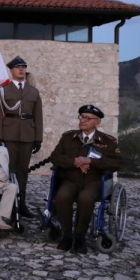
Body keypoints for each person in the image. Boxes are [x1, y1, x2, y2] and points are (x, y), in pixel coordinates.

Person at [50, 105, 122, 254]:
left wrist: (90, 161)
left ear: (97, 122)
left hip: (94, 182)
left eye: (88, 118)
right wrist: (75, 161)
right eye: (82, 117)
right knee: (62, 196)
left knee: (85, 198)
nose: (83, 120)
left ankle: (80, 236)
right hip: (71, 179)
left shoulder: (108, 142)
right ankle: (67, 235)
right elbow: (55, 157)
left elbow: (117, 163)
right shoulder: (68, 137)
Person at [0, 56, 43, 219]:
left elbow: (38, 116)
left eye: (23, 67)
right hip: (9, 134)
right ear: (11, 70)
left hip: (27, 134)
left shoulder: (33, 91)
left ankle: (21, 204)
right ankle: (7, 204)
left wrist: (38, 138)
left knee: (22, 171)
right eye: (17, 67)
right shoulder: (4, 90)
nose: (21, 70)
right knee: (7, 170)